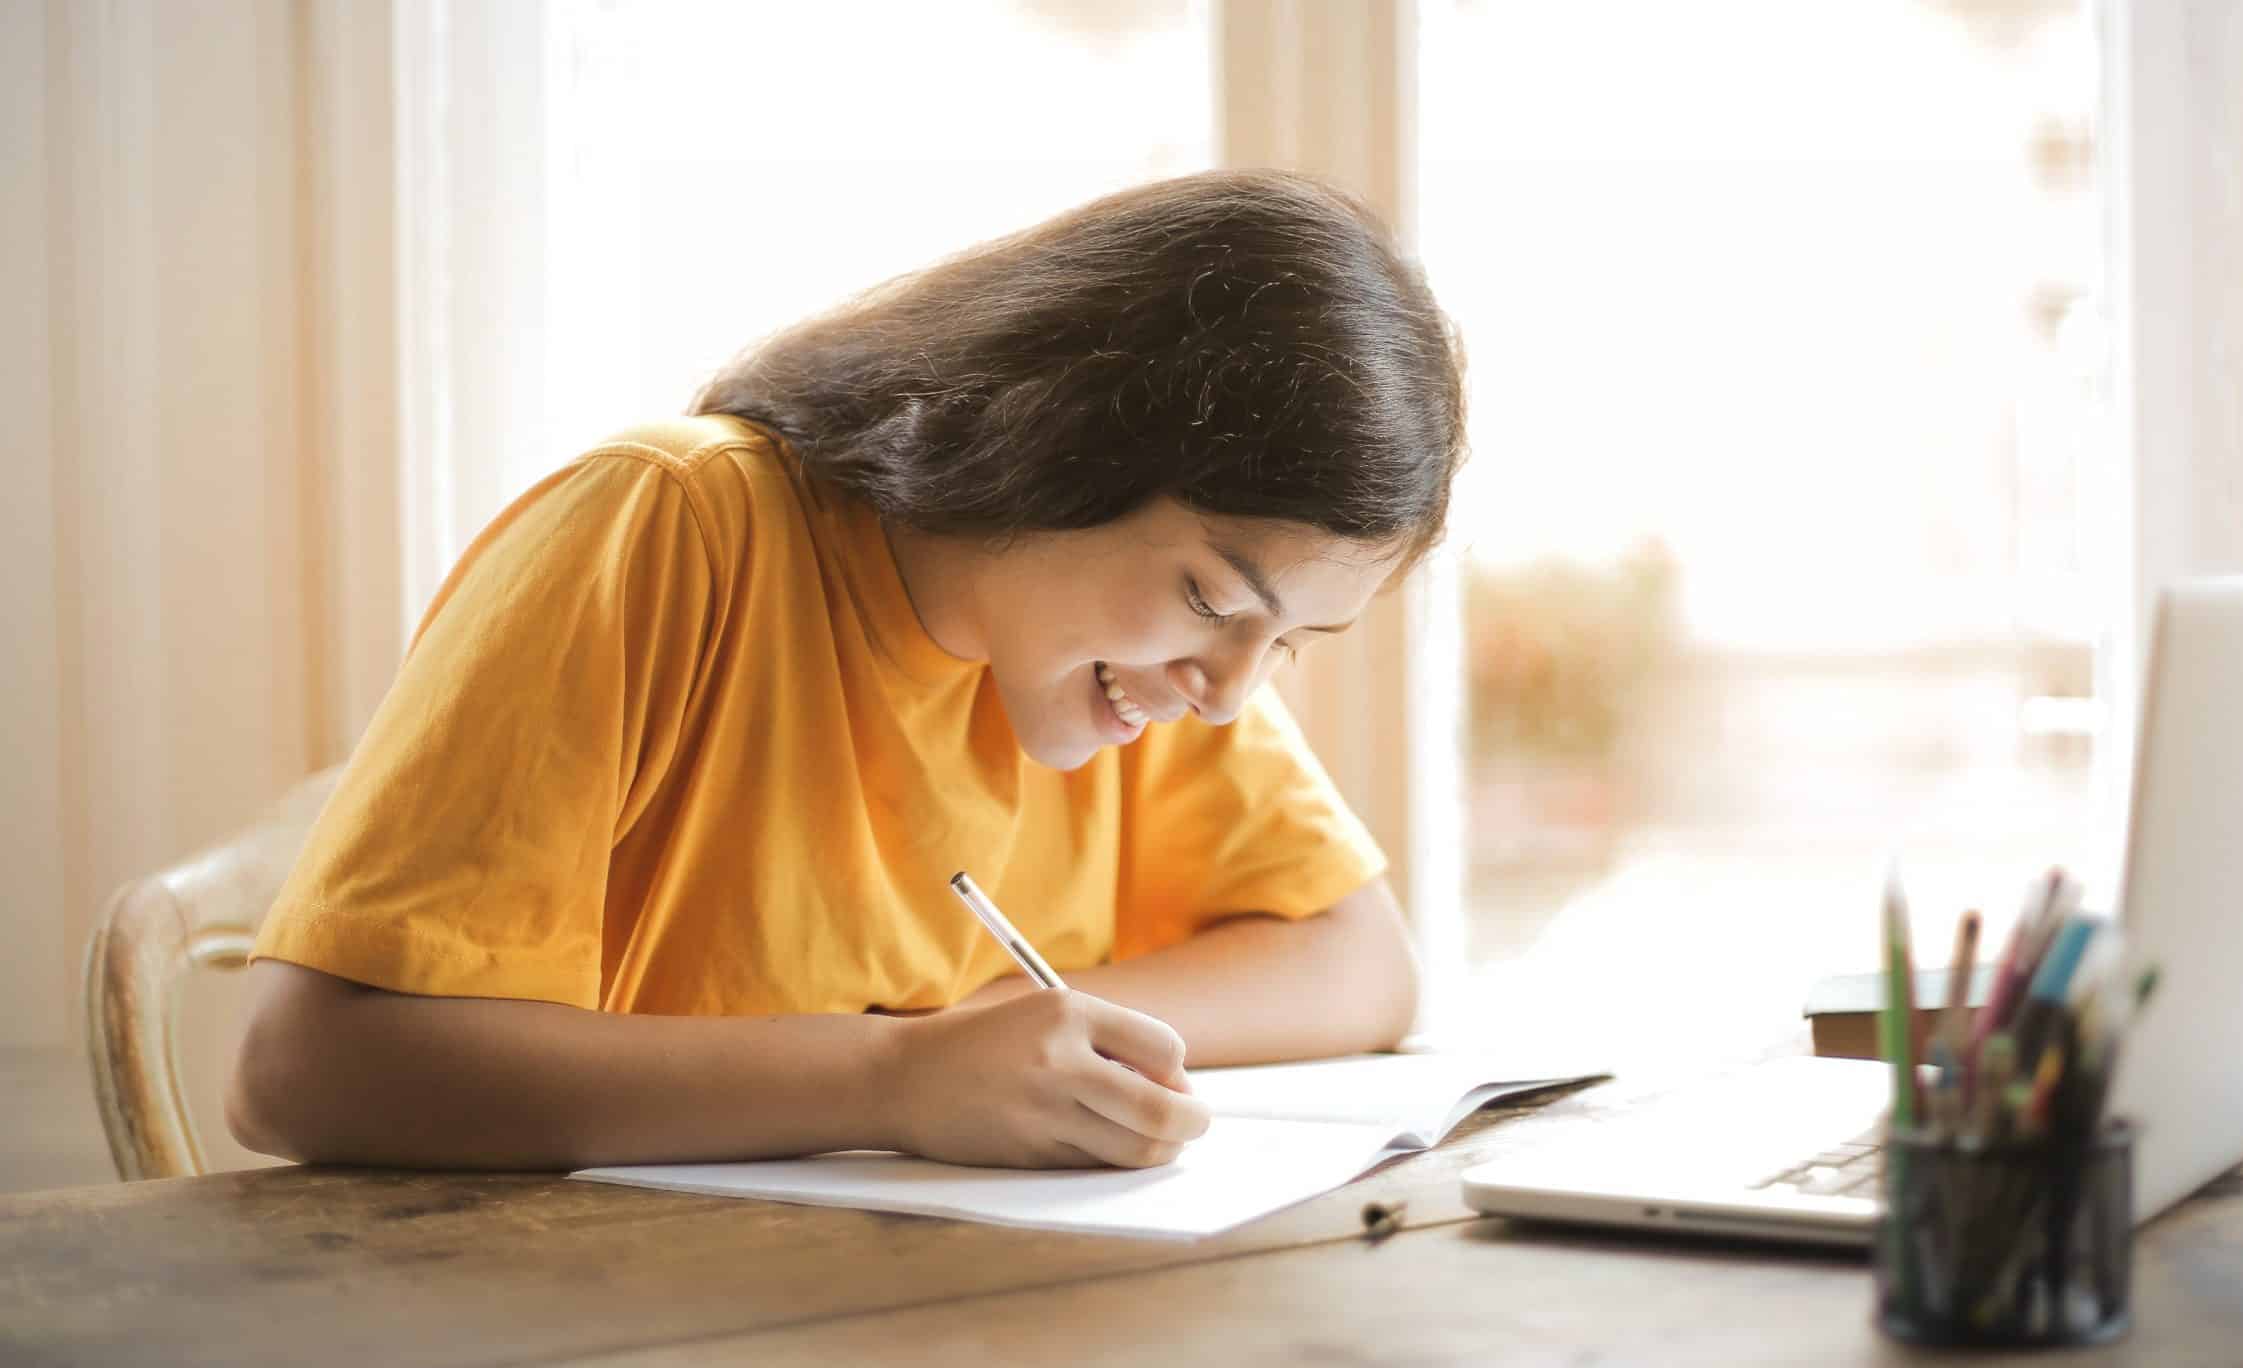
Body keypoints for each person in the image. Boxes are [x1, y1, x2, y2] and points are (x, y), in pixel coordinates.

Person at [225, 170, 1468, 1175]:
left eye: (1287, 642)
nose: (1232, 692)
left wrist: (1010, 1042)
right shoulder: (670, 527)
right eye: (1211, 599)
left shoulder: (1140, 667)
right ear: (1054, 442)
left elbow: (1361, 964)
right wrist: (895, 1081)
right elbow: (305, 1070)